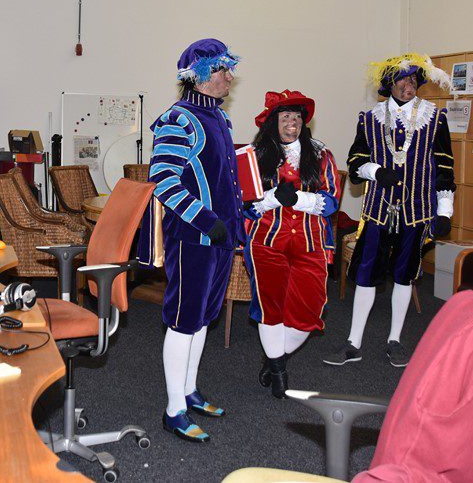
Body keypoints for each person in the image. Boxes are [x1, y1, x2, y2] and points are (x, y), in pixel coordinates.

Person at [139, 38, 247, 443]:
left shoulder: (221, 118)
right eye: (222, 70)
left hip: (220, 238)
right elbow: (163, 181)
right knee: (184, 321)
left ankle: (189, 391)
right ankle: (173, 410)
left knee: (202, 319)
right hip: (192, 237)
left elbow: (227, 180)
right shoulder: (178, 118)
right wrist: (206, 221)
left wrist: (236, 220)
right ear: (200, 75)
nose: (230, 77)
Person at [325, 53, 455, 368]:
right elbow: (355, 162)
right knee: (366, 275)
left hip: (417, 210)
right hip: (378, 210)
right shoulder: (369, 118)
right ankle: (353, 343)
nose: (409, 85)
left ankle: (394, 341)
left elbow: (445, 167)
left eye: (413, 80)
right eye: (402, 80)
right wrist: (375, 171)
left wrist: (445, 211)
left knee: (404, 276)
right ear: (389, 84)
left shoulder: (434, 118)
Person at [244, 89, 341, 397]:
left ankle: (273, 358)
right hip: (266, 242)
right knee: (270, 307)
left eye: (296, 117)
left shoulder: (321, 155)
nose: (292, 122)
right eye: (285, 116)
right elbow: (245, 206)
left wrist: (299, 199)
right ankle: (279, 373)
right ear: (273, 122)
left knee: (309, 313)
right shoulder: (255, 156)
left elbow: (332, 201)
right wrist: (273, 198)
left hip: (311, 244)